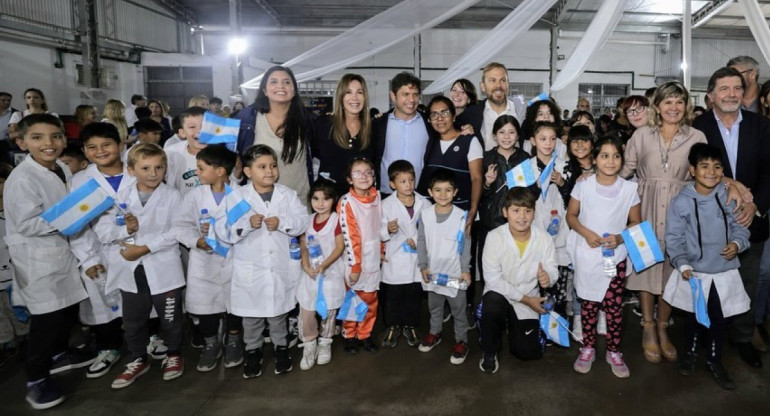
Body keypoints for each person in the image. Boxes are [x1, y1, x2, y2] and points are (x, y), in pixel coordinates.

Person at [6, 114, 90, 409]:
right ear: (22, 142)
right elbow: (27, 223)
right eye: (37, 138)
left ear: (65, 140)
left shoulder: (61, 169)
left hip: (60, 252)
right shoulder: (22, 179)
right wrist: (73, 217)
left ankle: (58, 354)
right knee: (46, 319)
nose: (48, 144)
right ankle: (36, 379)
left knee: (66, 311)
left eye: (55, 136)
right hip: (37, 258)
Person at [621, 81, 707, 364]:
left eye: (679, 101)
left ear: (686, 106)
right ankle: (647, 327)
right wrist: (594, 175)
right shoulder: (642, 135)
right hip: (644, 207)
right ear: (657, 106)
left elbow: (706, 174)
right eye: (667, 102)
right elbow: (624, 171)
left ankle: (663, 327)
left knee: (673, 268)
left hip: (679, 210)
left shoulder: (697, 136)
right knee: (646, 266)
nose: (673, 107)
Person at [693, 67, 770, 369]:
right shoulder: (697, 128)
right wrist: (730, 181)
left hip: (753, 221)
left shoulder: (761, 126)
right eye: (723, 88)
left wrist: (757, 206)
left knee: (747, 284)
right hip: (711, 221)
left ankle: (742, 338)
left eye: (736, 88)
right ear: (711, 95)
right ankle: (710, 337)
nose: (731, 94)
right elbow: (694, 170)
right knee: (710, 282)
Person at [97, 143, 185, 389]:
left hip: (162, 266)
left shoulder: (173, 196)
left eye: (159, 167)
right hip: (131, 269)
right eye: (145, 167)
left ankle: (174, 353)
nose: (153, 173)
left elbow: (177, 230)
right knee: (133, 320)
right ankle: (138, 358)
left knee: (170, 317)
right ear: (131, 169)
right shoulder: (120, 197)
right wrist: (126, 228)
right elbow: (103, 230)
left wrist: (145, 248)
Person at [663, 143, 751, 390]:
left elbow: (740, 225)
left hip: (723, 271)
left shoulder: (728, 196)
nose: (711, 172)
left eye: (717, 166)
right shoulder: (681, 202)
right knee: (693, 315)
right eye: (704, 166)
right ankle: (689, 353)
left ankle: (714, 359)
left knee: (718, 317)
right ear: (692, 170)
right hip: (695, 271)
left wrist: (736, 243)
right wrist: (681, 263)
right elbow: (674, 238)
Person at [217, 144, 308, 379]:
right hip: (251, 268)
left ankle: (281, 349)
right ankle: (253, 351)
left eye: (273, 166)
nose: (269, 171)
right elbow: (222, 230)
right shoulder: (236, 197)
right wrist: (246, 225)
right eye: (262, 167)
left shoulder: (286, 195)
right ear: (247, 172)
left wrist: (283, 222)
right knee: (251, 318)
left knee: (278, 314)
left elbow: (301, 221)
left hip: (279, 266)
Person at [566, 136, 641, 378]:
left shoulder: (630, 189)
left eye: (616, 156)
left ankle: (614, 350)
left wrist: (620, 238)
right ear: (595, 159)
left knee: (613, 306)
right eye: (604, 156)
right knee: (588, 304)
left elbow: (635, 222)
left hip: (615, 257)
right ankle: (587, 347)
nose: (610, 161)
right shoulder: (584, 185)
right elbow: (571, 215)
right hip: (588, 255)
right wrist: (587, 234)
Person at [69, 123, 131, 379]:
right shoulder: (80, 181)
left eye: (106, 144)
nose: (100, 151)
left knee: (142, 302)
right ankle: (108, 347)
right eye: (92, 147)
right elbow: (77, 224)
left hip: (138, 248)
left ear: (120, 145)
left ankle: (150, 338)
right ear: (84, 151)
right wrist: (88, 258)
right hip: (100, 251)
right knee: (104, 305)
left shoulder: (137, 170)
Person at [173, 145, 239, 372]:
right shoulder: (194, 196)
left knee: (235, 307)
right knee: (205, 308)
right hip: (204, 262)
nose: (197, 173)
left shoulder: (241, 194)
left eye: (201, 169)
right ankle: (211, 344)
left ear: (220, 171)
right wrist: (197, 241)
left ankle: (233, 340)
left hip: (234, 261)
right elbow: (181, 226)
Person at [479, 187, 558, 373]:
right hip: (502, 296)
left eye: (528, 211)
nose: (522, 216)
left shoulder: (544, 239)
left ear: (533, 213)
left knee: (528, 352)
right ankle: (489, 350)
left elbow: (553, 269)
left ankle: (514, 326)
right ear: (505, 212)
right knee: (491, 302)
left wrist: (548, 278)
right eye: (516, 210)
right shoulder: (494, 237)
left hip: (528, 300)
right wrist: (527, 300)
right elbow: (492, 280)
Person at [417, 169, 471, 365]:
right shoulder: (425, 215)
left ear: (455, 192)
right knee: (435, 307)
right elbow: (421, 241)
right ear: (430, 192)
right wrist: (423, 266)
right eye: (438, 190)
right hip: (432, 273)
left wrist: (465, 269)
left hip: (455, 273)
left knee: (458, 310)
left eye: (448, 190)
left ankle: (461, 341)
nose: (442, 194)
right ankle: (434, 333)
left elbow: (465, 244)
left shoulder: (460, 216)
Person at [235, 66, 314, 199]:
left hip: (298, 201)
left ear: (294, 91)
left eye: (287, 82)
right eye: (274, 82)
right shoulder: (247, 119)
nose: (281, 86)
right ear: (264, 90)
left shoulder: (307, 119)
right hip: (257, 204)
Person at [296, 179, 345, 370]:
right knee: (307, 311)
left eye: (326, 198)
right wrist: (306, 266)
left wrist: (324, 265)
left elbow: (339, 247)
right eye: (316, 198)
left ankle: (325, 343)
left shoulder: (336, 220)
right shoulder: (307, 220)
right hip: (310, 274)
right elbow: (303, 246)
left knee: (329, 311)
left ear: (334, 200)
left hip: (330, 272)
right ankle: (309, 345)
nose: (320, 203)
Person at [380, 160, 428, 349]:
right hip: (396, 257)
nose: (408, 185)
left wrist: (416, 240)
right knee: (393, 295)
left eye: (411, 180)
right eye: (402, 181)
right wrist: (387, 230)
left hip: (416, 256)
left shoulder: (424, 203)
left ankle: (410, 325)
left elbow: (429, 228)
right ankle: (392, 326)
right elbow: (378, 230)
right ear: (392, 184)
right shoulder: (385, 204)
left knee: (413, 294)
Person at [337, 157, 382, 354]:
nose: (363, 177)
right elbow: (350, 237)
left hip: (372, 259)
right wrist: (355, 266)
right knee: (353, 299)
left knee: (370, 299)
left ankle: (364, 334)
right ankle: (349, 334)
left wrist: (381, 250)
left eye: (368, 172)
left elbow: (379, 226)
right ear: (349, 179)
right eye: (357, 173)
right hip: (354, 260)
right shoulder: (347, 202)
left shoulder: (377, 196)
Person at [529, 122, 570, 316]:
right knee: (536, 280)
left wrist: (562, 182)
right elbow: (520, 200)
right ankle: (534, 325)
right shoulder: (527, 168)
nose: (548, 143)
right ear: (533, 141)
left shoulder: (563, 165)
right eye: (543, 139)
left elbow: (572, 198)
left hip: (559, 229)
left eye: (552, 139)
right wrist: (536, 187)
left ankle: (557, 323)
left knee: (557, 283)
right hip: (534, 229)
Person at [313, 74, 374, 197]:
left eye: (360, 92)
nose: (354, 98)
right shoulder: (324, 125)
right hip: (329, 203)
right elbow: (312, 155)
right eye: (348, 92)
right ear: (341, 97)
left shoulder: (374, 128)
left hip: (361, 204)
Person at [373, 72, 430, 196]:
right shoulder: (378, 125)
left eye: (415, 95)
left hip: (420, 195)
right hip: (386, 194)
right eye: (405, 94)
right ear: (393, 96)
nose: (411, 100)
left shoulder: (430, 124)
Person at [456, 62, 525, 150]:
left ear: (508, 84)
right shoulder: (471, 114)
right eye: (492, 80)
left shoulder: (522, 110)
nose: (498, 85)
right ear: (483, 86)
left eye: (503, 80)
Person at [0, 162, 26, 366]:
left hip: (18, 275)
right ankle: (7, 346)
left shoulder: (17, 211)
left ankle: (27, 342)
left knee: (21, 315)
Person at [165, 107, 207, 195]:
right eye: (192, 127)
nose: (200, 131)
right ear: (182, 132)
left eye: (205, 126)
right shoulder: (170, 154)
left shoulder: (223, 153)